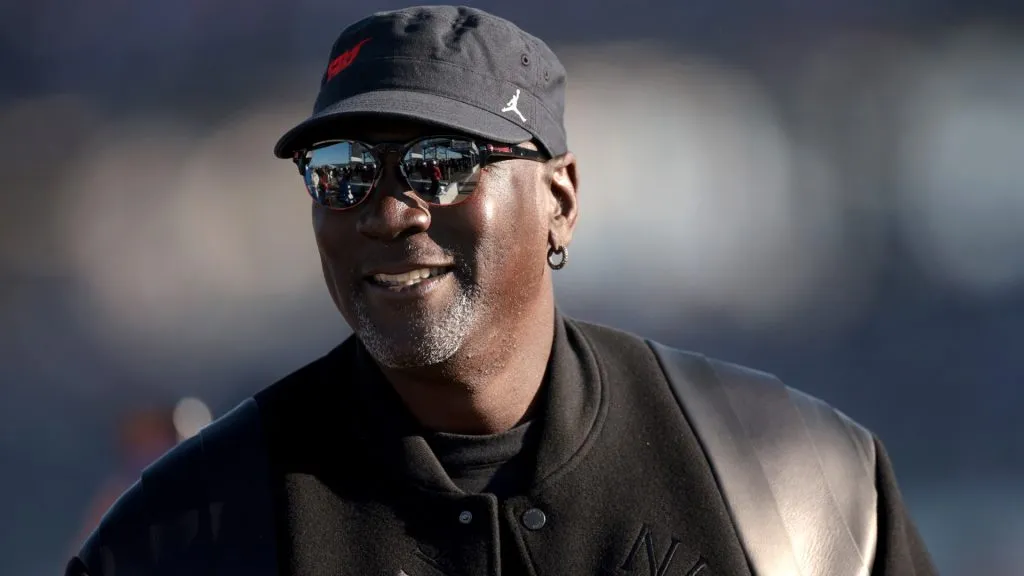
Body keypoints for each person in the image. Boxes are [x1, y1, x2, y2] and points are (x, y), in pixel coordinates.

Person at [67, 6, 937, 575]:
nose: (390, 209)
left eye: (441, 165)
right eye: (342, 172)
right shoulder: (187, 534)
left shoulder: (798, 484)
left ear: (559, 201)